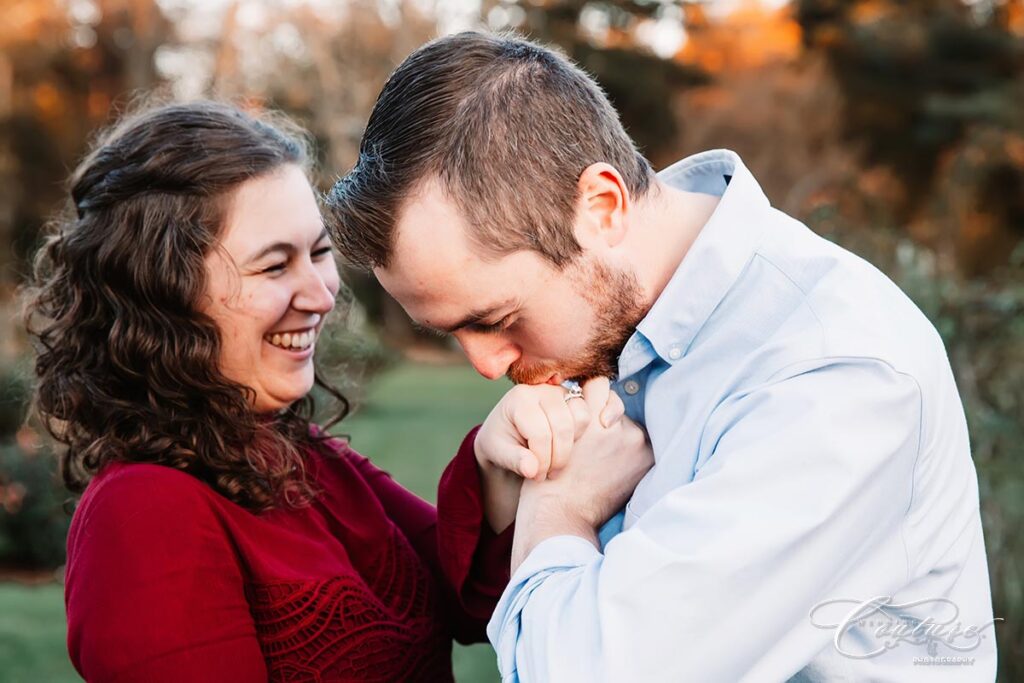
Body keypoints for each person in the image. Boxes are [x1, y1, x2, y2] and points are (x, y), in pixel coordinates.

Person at [325, 31, 999, 681]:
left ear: (601, 206)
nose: (485, 365)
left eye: (498, 320)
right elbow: (490, 605)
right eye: (452, 332)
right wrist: (501, 482)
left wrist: (558, 509)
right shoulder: (622, 324)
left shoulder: (831, 374)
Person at [22, 100, 652, 682]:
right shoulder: (143, 512)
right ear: (163, 294)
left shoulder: (305, 458)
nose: (322, 295)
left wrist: (499, 460)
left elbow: (465, 601)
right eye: (274, 265)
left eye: (318, 253)